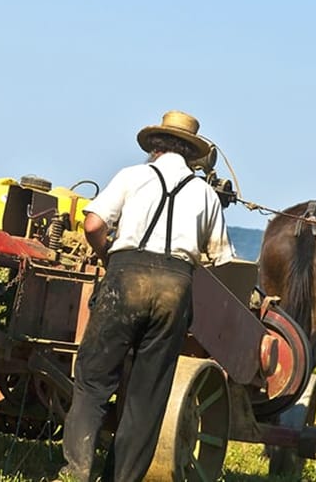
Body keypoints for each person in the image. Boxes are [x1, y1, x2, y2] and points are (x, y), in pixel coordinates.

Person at [59, 110, 235, 482]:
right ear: (192, 155)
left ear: (155, 146)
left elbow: (92, 223)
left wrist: (108, 254)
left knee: (93, 380)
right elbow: (222, 260)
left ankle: (78, 470)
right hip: (175, 288)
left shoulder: (132, 175)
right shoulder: (205, 193)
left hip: (126, 278)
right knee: (148, 394)